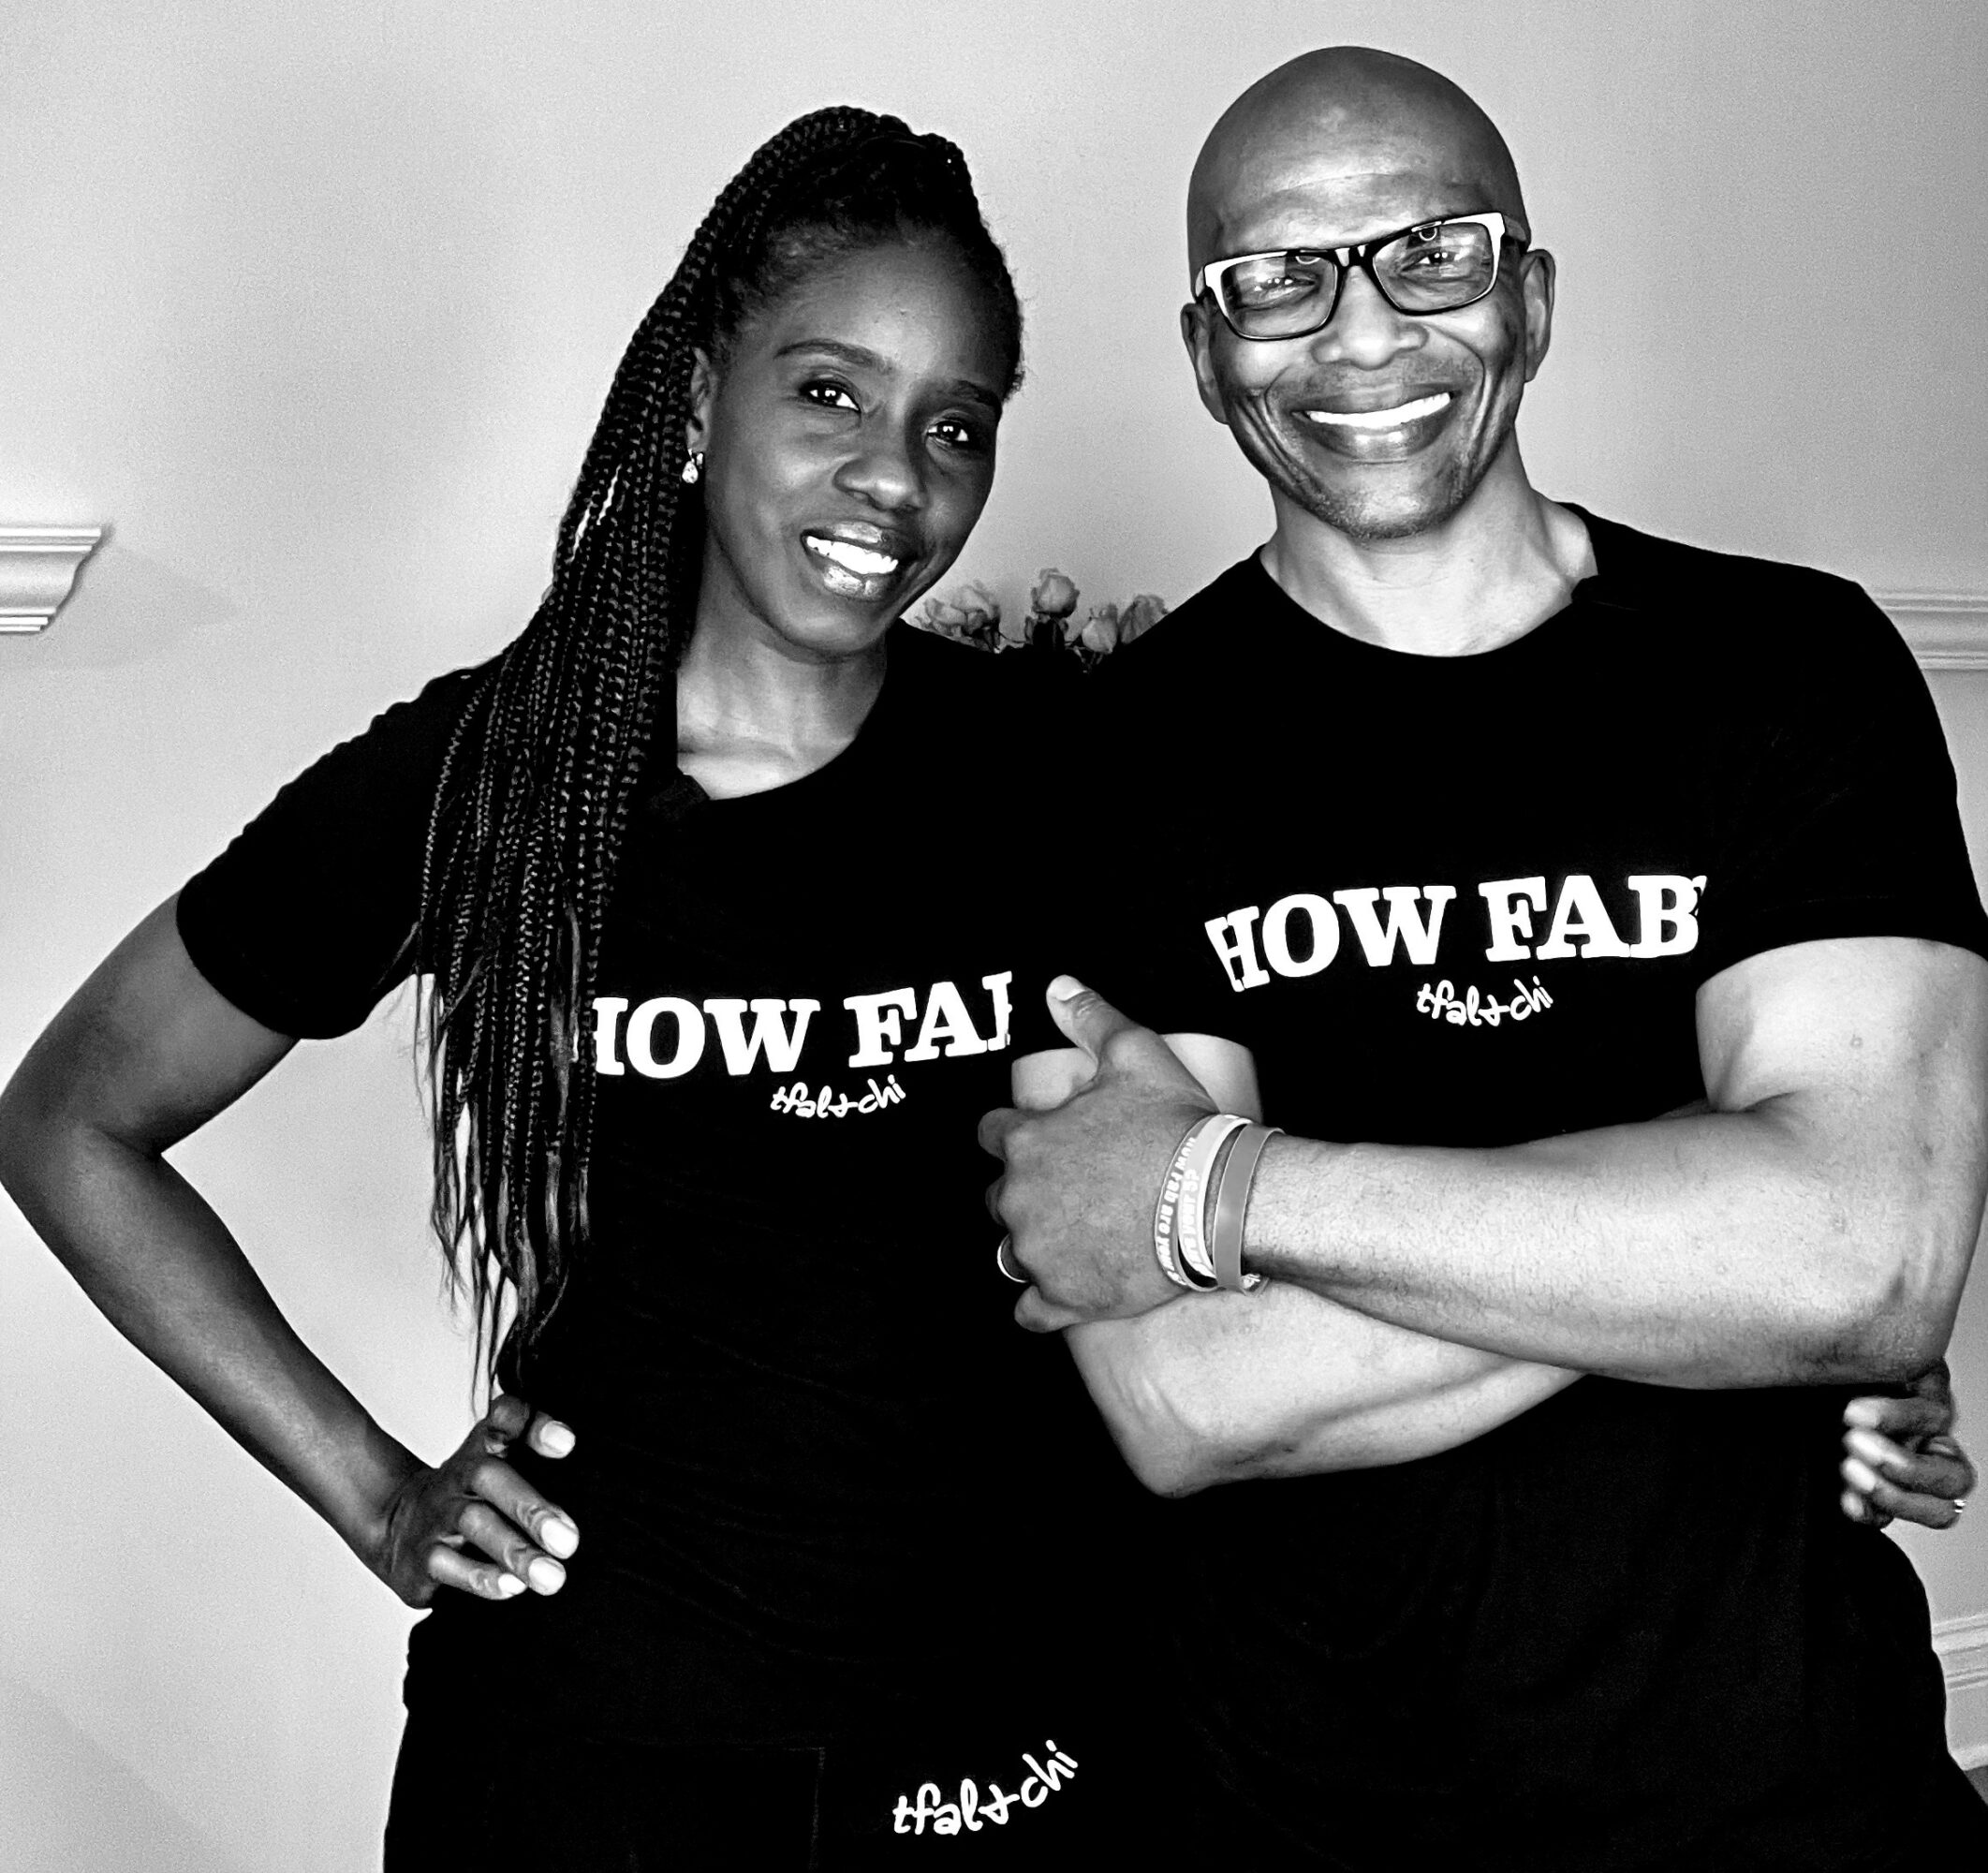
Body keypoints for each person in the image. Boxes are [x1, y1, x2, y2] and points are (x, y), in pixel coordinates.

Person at [0, 108, 1163, 1867]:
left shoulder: (1050, 777)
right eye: (830, 394)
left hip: (986, 1744)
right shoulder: (496, 779)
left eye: (955, 424)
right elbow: (70, 1123)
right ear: (697, 400)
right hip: (583, 1756)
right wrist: (378, 1494)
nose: (894, 478)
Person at [982, 46, 1988, 1869]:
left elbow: (1866, 1261)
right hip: (1309, 1823)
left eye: (1430, 253)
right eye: (1276, 279)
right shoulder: (1106, 768)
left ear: (1530, 294)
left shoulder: (1790, 670)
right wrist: (1718, 1228)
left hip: (1799, 1801)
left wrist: (1218, 1190)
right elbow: (1186, 1400)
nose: (1362, 331)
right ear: (1206, 351)